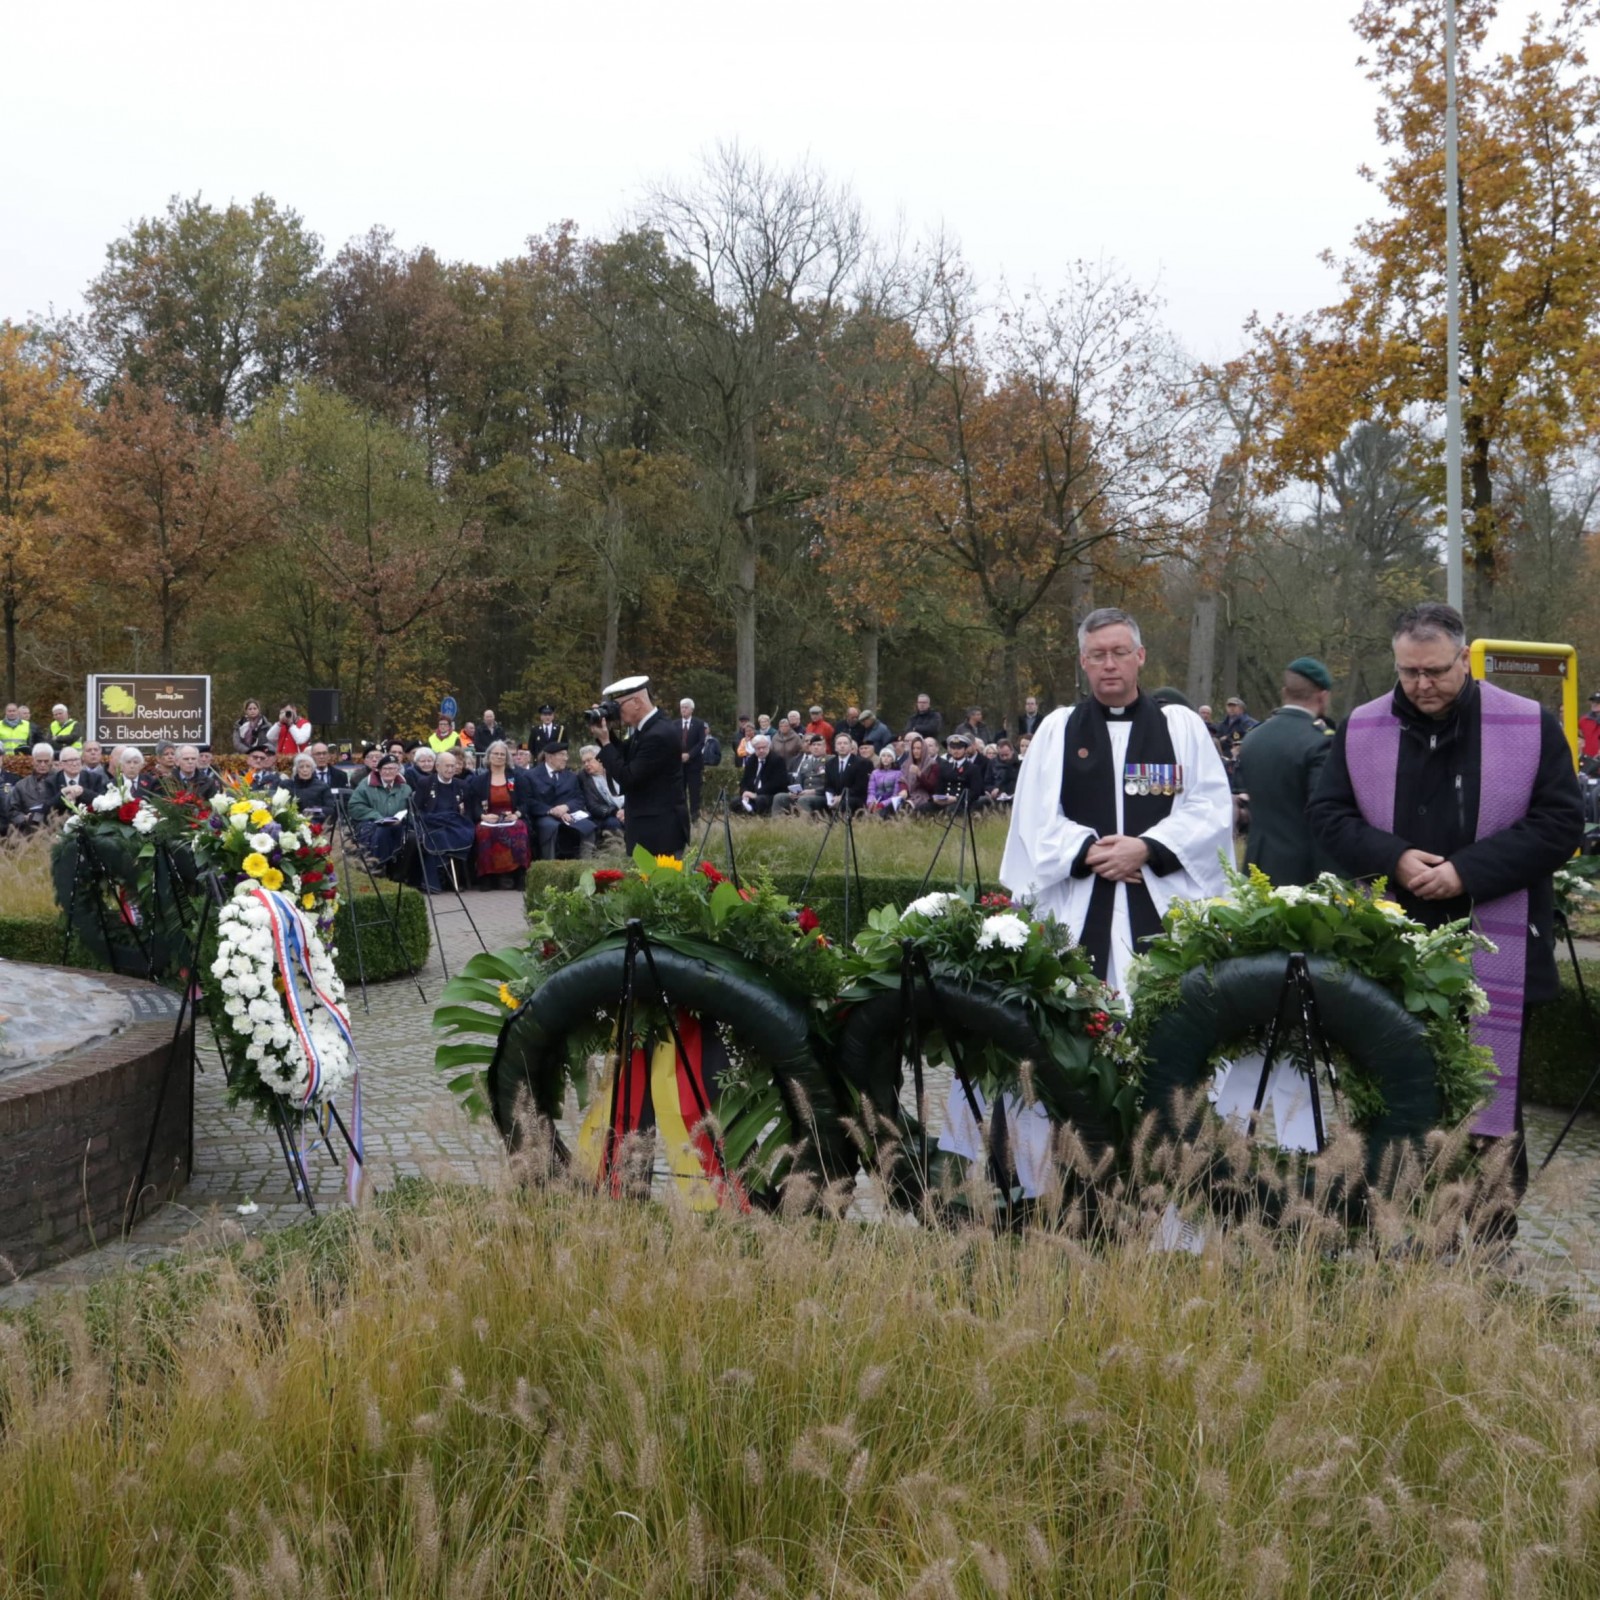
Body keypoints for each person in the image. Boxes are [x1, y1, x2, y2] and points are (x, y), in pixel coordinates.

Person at [1308, 602, 1584, 1234]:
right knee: (1395, 1094)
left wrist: (1467, 872)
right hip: (1391, 944)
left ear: (1464, 658)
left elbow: (1562, 823)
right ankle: (1392, 1229)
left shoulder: (1529, 723)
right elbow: (1327, 815)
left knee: (1488, 1108)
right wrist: (1395, 858)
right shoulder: (1361, 728)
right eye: (1408, 672)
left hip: (1495, 943)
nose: (1422, 685)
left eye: (1435, 671)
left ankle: (1490, 1242)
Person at [944, 607, 1232, 1196]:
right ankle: (1060, 1186)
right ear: (1083, 662)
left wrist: (1148, 848)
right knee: (1065, 1051)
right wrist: (1092, 852)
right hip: (1077, 913)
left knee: (1164, 1048)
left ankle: (1172, 1187)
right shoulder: (1056, 730)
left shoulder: (1181, 728)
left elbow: (1209, 809)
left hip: (1163, 911)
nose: (1109, 664)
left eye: (1119, 652)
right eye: (1097, 654)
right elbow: (1033, 818)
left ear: (1141, 656)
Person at [1236, 657, 1337, 888]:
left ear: (1284, 692)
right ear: (1323, 696)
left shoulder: (1253, 738)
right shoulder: (1319, 742)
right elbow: (1322, 816)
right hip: (1302, 874)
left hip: (1256, 865)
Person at [593, 676, 691, 857]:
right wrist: (606, 735)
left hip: (660, 833)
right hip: (650, 829)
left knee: (661, 884)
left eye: (618, 705)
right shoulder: (648, 728)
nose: (616, 711)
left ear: (637, 702)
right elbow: (625, 754)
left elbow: (628, 777)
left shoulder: (658, 734)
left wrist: (606, 742)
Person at [468, 740, 533, 889]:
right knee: (484, 831)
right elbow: (474, 804)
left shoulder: (516, 778)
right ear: (489, 756)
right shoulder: (479, 781)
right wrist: (483, 817)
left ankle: (518, 874)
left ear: (507, 757)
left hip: (511, 817)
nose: (499, 757)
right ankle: (487, 876)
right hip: (488, 818)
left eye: (502, 754)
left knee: (519, 829)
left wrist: (517, 814)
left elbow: (526, 801)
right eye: (495, 754)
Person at [416, 749, 477, 890]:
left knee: (461, 833)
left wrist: (462, 817)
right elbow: (417, 808)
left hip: (455, 822)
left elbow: (468, 811)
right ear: (437, 767)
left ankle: (452, 879)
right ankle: (436, 880)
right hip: (431, 822)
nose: (450, 769)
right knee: (436, 836)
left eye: (453, 766)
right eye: (447, 766)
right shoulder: (425, 783)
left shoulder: (462, 785)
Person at [527, 741, 597, 859]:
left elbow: (579, 798)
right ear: (549, 757)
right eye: (562, 755)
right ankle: (549, 865)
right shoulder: (531, 775)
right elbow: (529, 801)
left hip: (568, 815)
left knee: (589, 827)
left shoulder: (571, 777)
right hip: (545, 816)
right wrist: (550, 810)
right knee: (549, 827)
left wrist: (566, 807)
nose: (566, 758)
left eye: (566, 755)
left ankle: (586, 864)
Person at [348, 754, 412, 869]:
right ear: (379, 770)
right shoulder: (365, 785)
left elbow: (411, 809)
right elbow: (354, 806)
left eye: (392, 769)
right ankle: (378, 867)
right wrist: (376, 816)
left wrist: (404, 818)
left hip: (399, 825)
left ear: (397, 770)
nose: (388, 772)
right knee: (383, 830)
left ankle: (400, 870)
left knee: (412, 837)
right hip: (372, 824)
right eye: (385, 769)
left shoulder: (405, 788)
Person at [577, 744, 626, 848]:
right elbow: (592, 805)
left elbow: (631, 791)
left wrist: (626, 809)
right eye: (584, 762)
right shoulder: (584, 778)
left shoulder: (614, 769)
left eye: (589, 760)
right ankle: (617, 853)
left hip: (627, 809)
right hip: (606, 816)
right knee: (613, 823)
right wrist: (615, 812)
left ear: (600, 759)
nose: (586, 764)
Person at [7, 744, 58, 831]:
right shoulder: (21, 785)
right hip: (29, 834)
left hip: (56, 832)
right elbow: (12, 811)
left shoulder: (60, 781)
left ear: (52, 761)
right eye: (39, 761)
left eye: (46, 761)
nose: (42, 765)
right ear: (33, 761)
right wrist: (24, 818)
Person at [738, 735, 790, 815]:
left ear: (768, 746)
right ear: (754, 748)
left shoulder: (777, 760)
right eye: (758, 748)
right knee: (736, 802)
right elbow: (745, 780)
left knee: (760, 800)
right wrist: (744, 792)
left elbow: (777, 783)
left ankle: (760, 820)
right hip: (752, 793)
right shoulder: (752, 760)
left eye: (764, 747)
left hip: (770, 794)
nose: (761, 750)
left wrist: (756, 794)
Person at [824, 732, 871, 815]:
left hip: (854, 798)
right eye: (839, 743)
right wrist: (831, 797)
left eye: (845, 743)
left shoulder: (861, 763)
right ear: (835, 747)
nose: (842, 746)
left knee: (843, 804)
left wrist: (841, 797)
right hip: (834, 797)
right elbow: (828, 785)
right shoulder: (830, 763)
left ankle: (840, 825)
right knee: (809, 800)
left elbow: (860, 787)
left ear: (850, 746)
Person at [676, 698, 709, 818]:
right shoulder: (675, 724)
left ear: (692, 709)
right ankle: (682, 816)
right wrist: (679, 754)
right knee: (680, 792)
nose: (683, 710)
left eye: (686, 707)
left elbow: (701, 743)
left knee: (694, 792)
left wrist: (689, 754)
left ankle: (695, 816)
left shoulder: (699, 724)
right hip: (679, 764)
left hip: (694, 764)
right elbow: (672, 742)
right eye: (682, 707)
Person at [1217, 696, 1257, 781]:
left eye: (1234, 706)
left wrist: (1228, 737)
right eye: (1229, 706)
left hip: (1241, 759)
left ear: (1241, 708)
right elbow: (1217, 739)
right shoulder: (1222, 724)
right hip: (1224, 759)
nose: (1231, 708)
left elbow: (1251, 738)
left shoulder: (1248, 723)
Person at [285, 752, 333, 817]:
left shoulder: (323, 786)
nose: (305, 770)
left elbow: (330, 809)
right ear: (296, 770)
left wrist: (314, 810)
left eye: (308, 766)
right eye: (301, 767)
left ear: (312, 769)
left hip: (316, 821)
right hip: (294, 822)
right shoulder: (287, 785)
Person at [865, 746, 907, 815]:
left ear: (893, 759)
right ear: (880, 758)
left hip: (889, 804)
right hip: (875, 802)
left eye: (889, 756)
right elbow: (871, 791)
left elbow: (895, 794)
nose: (886, 758)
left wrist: (883, 804)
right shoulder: (875, 773)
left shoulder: (898, 773)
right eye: (883, 756)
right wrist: (870, 802)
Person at [1581, 691, 1600, 763]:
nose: (1594, 704)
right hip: (1588, 762)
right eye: (1593, 702)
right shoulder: (1583, 720)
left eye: (1598, 702)